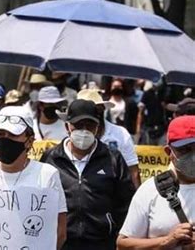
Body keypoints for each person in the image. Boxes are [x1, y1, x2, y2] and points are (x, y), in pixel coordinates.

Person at [0, 106, 67, 249]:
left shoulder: (47, 175)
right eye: (0, 133)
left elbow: (59, 232)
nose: (5, 139)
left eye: (12, 135)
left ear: (29, 140)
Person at [40, 99, 136, 250]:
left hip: (103, 243)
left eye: (90, 125)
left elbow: (126, 203)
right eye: (78, 125)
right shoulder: (51, 158)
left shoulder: (113, 159)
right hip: (61, 243)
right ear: (67, 126)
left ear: (97, 128)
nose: (84, 131)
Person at [117, 115, 195, 250]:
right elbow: (122, 245)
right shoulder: (150, 190)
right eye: (185, 149)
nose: (193, 156)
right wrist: (167, 241)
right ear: (168, 151)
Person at [77, 89, 141, 188]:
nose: (95, 114)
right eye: (90, 111)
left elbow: (133, 171)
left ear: (103, 109)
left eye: (98, 109)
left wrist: (136, 201)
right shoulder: (72, 137)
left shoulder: (121, 134)